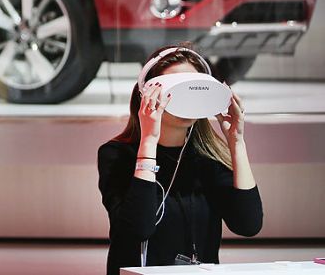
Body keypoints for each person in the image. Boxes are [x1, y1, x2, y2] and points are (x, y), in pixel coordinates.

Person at [97, 43, 262, 274]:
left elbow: (248, 224)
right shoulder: (117, 154)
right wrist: (149, 140)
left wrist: (236, 142)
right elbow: (138, 228)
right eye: (174, 89)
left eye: (193, 87)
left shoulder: (207, 158)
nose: (185, 98)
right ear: (147, 92)